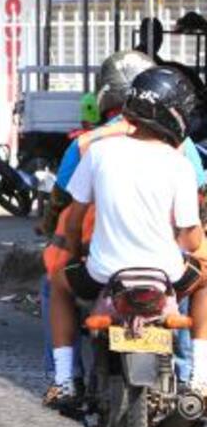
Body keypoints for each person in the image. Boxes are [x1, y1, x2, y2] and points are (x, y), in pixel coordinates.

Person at [44, 67, 207, 407]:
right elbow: (191, 239)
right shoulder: (180, 162)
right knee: (205, 281)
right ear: (175, 113)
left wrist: (72, 253)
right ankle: (199, 379)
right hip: (168, 278)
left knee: (57, 285)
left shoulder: (95, 150)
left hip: (103, 274)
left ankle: (63, 380)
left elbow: (72, 220)